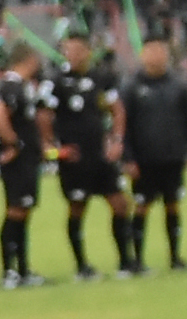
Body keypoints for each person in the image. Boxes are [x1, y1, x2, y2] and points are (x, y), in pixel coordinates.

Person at [42, 32, 130, 282]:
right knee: (78, 207)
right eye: (69, 50)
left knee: (120, 204)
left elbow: (117, 110)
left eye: (79, 50)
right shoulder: (56, 82)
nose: (74, 55)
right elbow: (44, 116)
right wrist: (52, 147)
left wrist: (117, 139)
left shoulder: (101, 78)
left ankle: (126, 262)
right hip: (73, 157)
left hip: (100, 155)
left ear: (88, 52)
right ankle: (82, 266)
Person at [120, 36, 187, 272]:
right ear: (142, 54)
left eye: (160, 50)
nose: (156, 56)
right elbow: (123, 125)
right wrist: (128, 157)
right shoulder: (131, 87)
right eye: (151, 51)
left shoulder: (180, 85)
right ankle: (138, 259)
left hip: (173, 156)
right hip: (144, 158)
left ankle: (175, 256)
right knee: (142, 205)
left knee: (173, 205)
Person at [0, 41, 52, 287]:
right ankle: (10, 271)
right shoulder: (11, 86)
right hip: (18, 161)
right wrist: (13, 143)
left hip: (27, 160)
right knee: (15, 210)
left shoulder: (22, 87)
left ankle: (23, 269)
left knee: (23, 210)